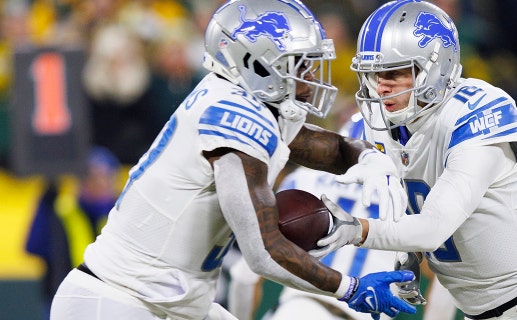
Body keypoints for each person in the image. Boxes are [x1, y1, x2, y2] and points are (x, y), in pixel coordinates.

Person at [49, 1, 416, 320]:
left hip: (164, 302)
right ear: (255, 64)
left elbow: (324, 147)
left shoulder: (242, 100)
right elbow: (263, 251)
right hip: (119, 300)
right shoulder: (236, 120)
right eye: (299, 65)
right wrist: (349, 287)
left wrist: (370, 157)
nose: (308, 79)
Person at [309, 1, 517, 319]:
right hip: (481, 311)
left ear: (435, 67)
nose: (380, 86)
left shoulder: (478, 110)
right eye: (373, 74)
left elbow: (433, 228)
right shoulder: (388, 122)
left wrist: (354, 229)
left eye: (393, 72)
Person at [227, 114, 458, 320]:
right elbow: (446, 281)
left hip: (298, 310)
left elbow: (244, 277)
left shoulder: (303, 180)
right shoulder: (418, 196)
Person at [25, 146, 121, 319]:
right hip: (66, 306)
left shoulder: (121, 215)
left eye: (105, 177)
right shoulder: (60, 211)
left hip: (110, 307)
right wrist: (47, 196)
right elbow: (33, 246)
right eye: (92, 177)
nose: (99, 183)